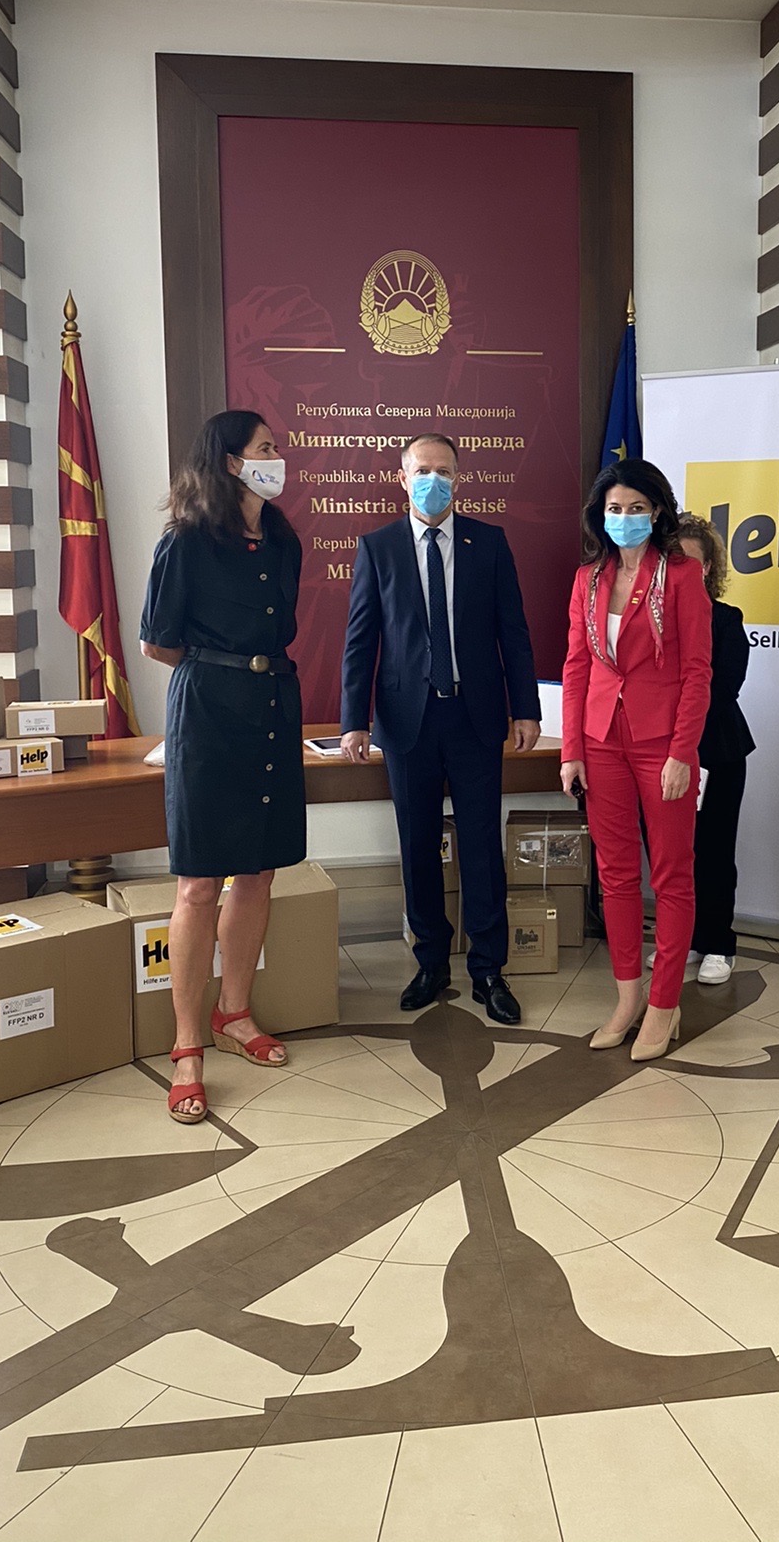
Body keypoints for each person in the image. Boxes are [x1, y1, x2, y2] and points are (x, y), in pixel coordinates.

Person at [340, 433, 541, 1024]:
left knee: (481, 843)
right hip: (408, 721)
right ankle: (430, 962)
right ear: (402, 478)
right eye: (423, 471)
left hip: (475, 717)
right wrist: (353, 721)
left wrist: (526, 708)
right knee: (417, 844)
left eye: (445, 471)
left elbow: (514, 632)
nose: (434, 481)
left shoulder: (490, 542)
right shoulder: (377, 547)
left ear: (459, 478)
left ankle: (489, 969)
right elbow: (360, 641)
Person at [140, 410, 304, 1124]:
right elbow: (157, 643)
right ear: (232, 462)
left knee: (258, 871)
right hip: (208, 713)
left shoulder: (283, 538)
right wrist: (221, 670)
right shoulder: (185, 541)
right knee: (201, 881)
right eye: (266, 448)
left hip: (272, 705)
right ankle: (186, 1044)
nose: (278, 457)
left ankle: (234, 1012)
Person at [561, 460, 712, 1061]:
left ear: (657, 513)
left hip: (662, 744)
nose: (624, 518)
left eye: (637, 508)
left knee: (671, 875)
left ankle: (664, 1003)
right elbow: (576, 666)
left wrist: (682, 752)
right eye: (615, 509)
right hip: (601, 741)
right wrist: (572, 750)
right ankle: (628, 997)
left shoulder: (682, 575)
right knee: (617, 875)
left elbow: (698, 672)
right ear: (600, 515)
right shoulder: (588, 579)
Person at [674, 512, 755, 985]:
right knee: (674, 854)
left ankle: (719, 943)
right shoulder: (652, 619)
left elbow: (722, 688)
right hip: (662, 754)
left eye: (691, 561)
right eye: (673, 560)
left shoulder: (725, 619)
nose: (681, 570)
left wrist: (680, 723)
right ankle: (686, 938)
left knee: (715, 850)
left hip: (716, 753)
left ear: (708, 568)